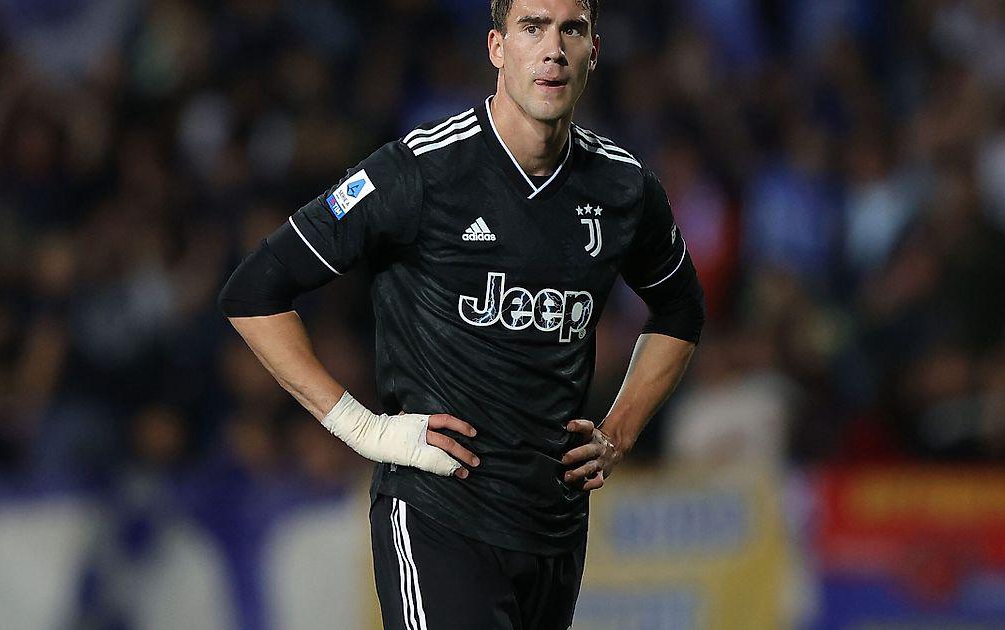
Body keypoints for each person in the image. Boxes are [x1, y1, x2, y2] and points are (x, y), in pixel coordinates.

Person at [218, 0, 703, 627]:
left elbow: (680, 308)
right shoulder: (419, 170)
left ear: (594, 51)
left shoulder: (623, 187)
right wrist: (363, 429)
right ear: (497, 47)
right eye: (533, 27)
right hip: (438, 515)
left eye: (572, 30)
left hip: (553, 530)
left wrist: (620, 431)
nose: (553, 49)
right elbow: (254, 291)